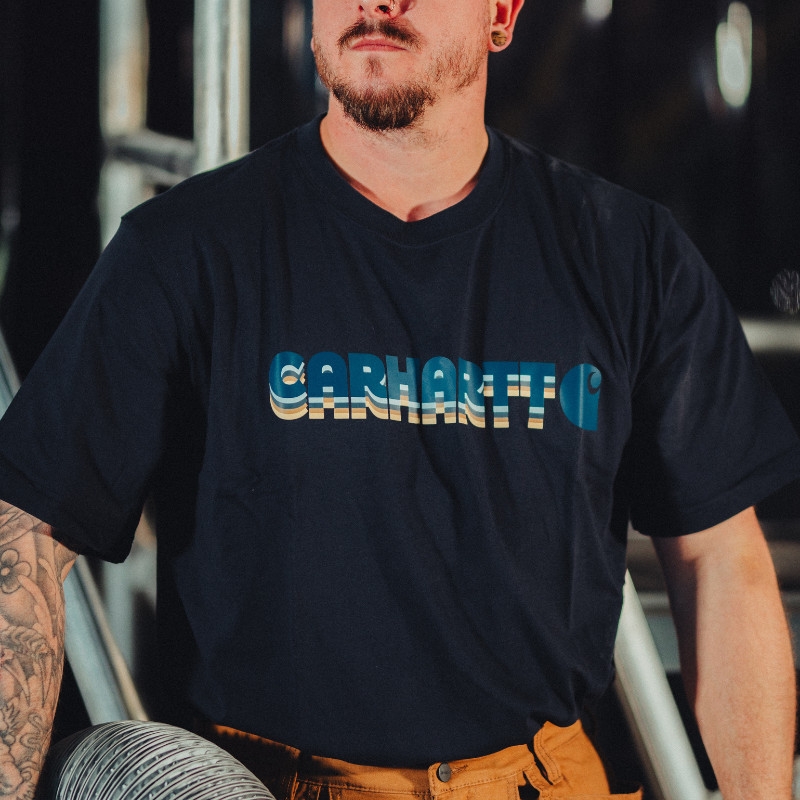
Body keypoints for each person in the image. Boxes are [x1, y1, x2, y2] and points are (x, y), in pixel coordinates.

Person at [0, 0, 798, 796]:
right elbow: (25, 534)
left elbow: (719, 562)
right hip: (279, 785)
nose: (377, 2)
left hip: (544, 782)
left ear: (501, 15)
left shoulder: (628, 255)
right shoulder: (185, 248)